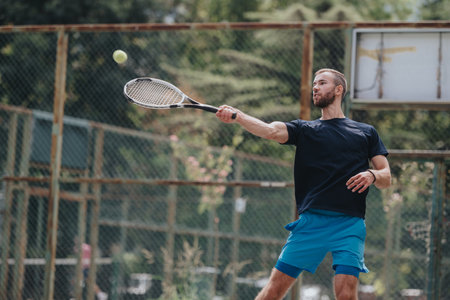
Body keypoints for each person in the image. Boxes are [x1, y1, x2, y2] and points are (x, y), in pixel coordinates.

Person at [215, 68, 391, 300]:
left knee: (346, 295)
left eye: (322, 83)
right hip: (310, 224)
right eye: (314, 83)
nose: (315, 87)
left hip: (350, 226)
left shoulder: (366, 132)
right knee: (273, 293)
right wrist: (238, 116)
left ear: (338, 90)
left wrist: (372, 174)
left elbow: (386, 177)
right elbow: (270, 130)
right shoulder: (305, 130)